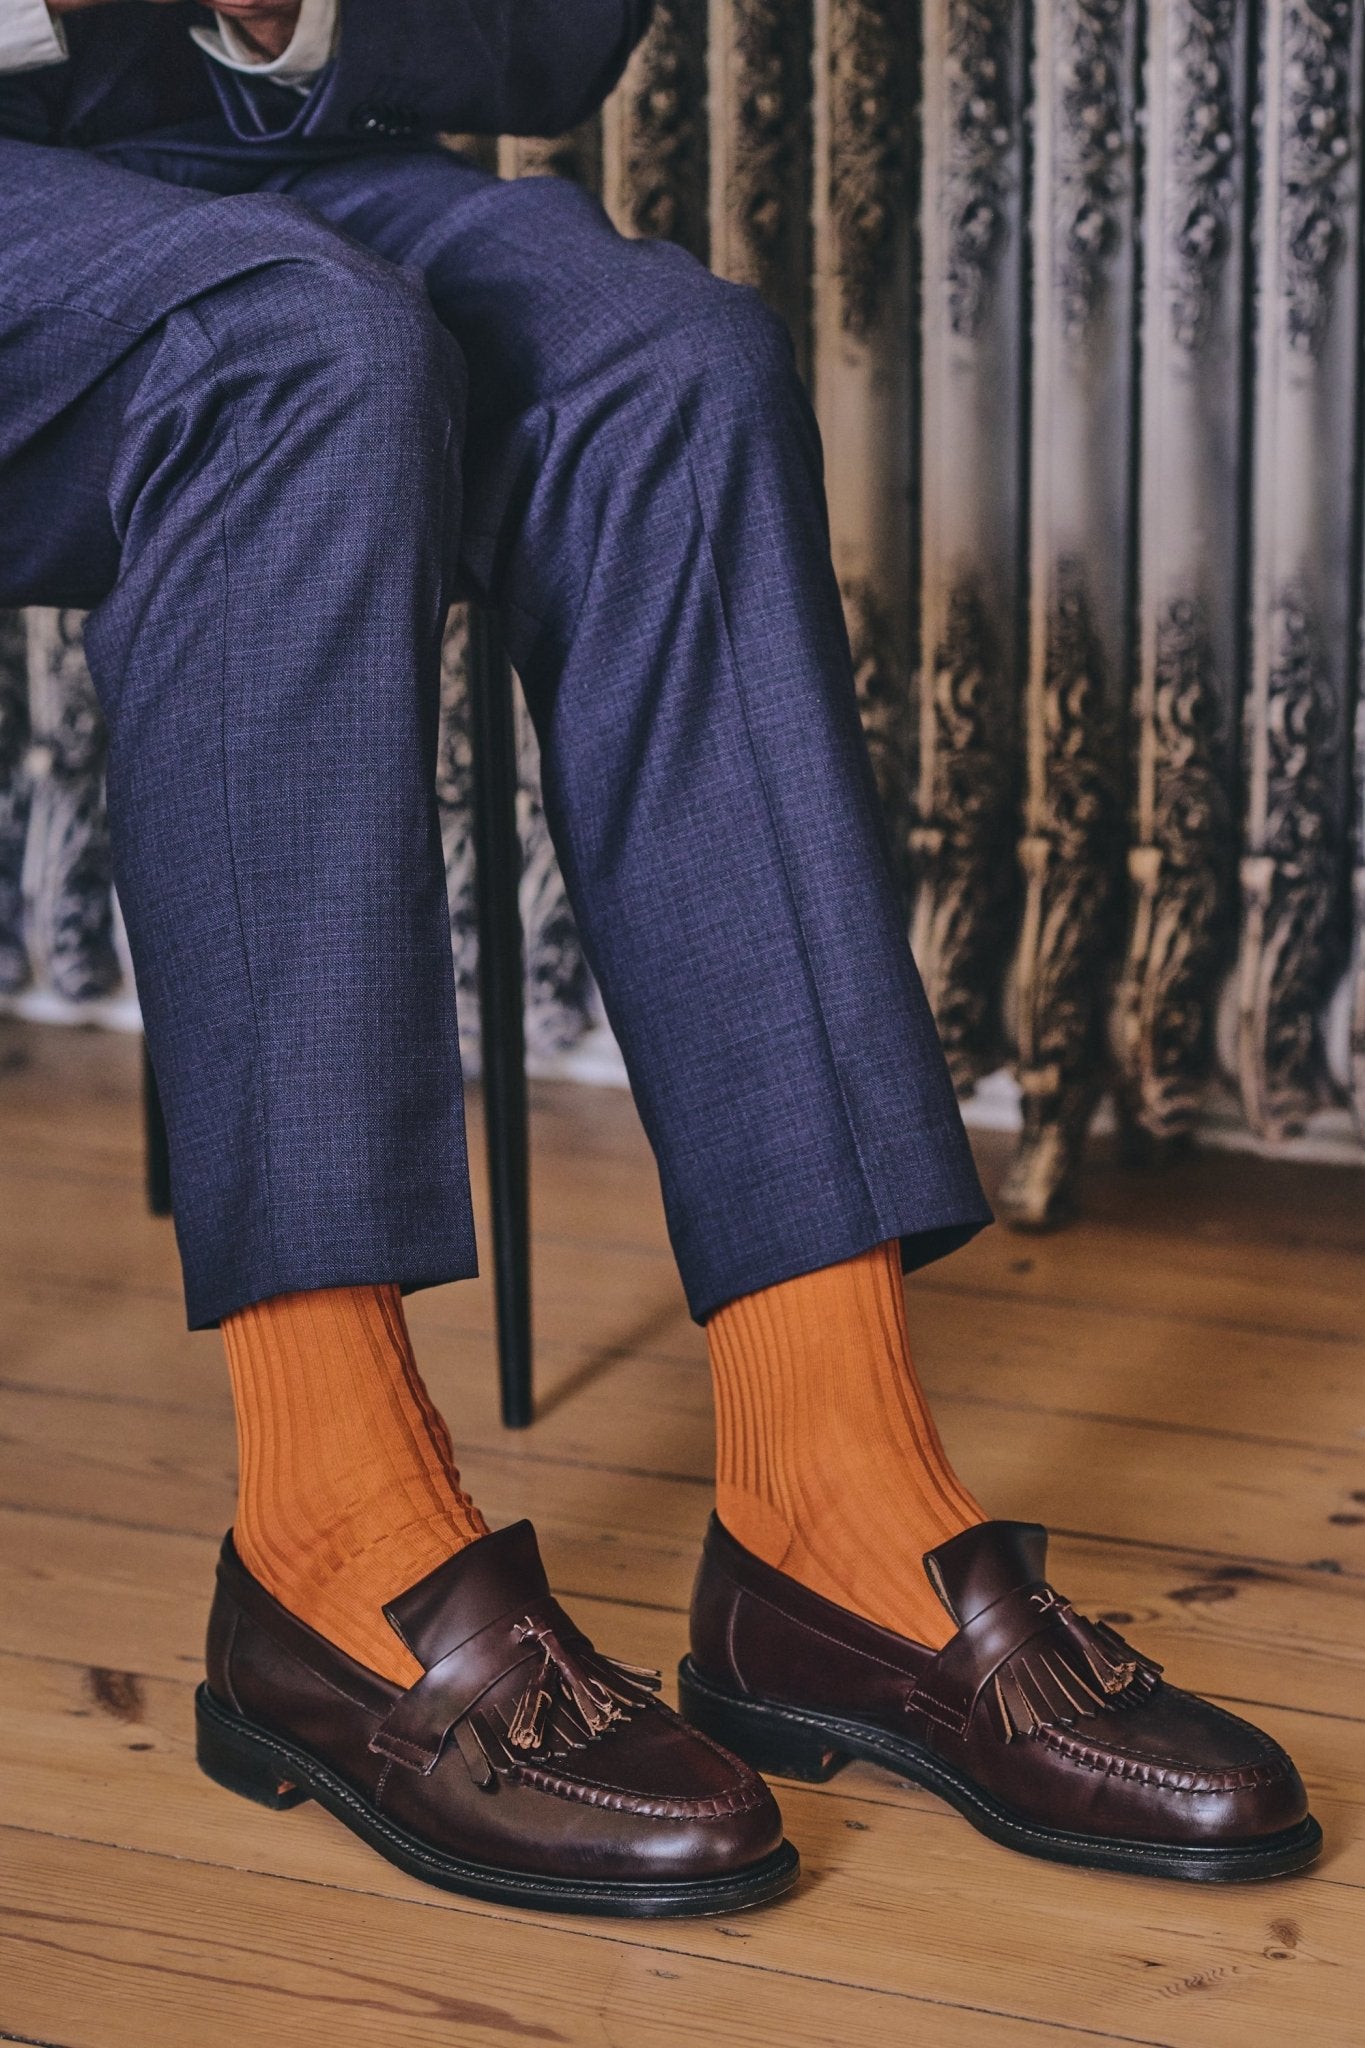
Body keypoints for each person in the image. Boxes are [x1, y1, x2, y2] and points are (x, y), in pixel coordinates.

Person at [0, 0, 1319, 1916]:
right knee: (285, 350)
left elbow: (552, 33)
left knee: (672, 372)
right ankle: (323, 1519)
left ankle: (828, 1491)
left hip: (266, 153)